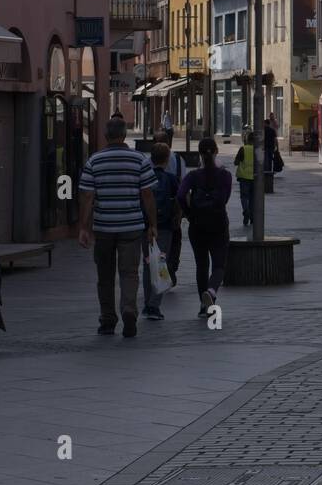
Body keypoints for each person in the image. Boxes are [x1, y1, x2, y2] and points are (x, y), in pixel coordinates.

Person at [79, 118, 157, 339]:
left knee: (105, 276)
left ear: (106, 136)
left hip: (103, 227)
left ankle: (107, 319)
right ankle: (129, 311)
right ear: (124, 135)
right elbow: (148, 194)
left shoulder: (95, 161)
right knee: (129, 273)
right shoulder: (139, 160)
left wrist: (84, 227)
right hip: (132, 226)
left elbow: (87, 195)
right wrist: (153, 224)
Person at [177, 137, 232, 320]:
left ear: (200, 154)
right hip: (219, 225)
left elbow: (180, 195)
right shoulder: (225, 175)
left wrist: (189, 213)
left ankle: (203, 306)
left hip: (197, 226)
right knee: (218, 265)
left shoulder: (193, 176)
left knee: (201, 266)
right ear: (216, 152)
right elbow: (225, 199)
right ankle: (211, 291)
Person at [142, 142, 179, 320]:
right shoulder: (171, 179)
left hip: (144, 226)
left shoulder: (145, 177)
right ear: (166, 159)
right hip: (164, 227)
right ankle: (154, 306)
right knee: (161, 264)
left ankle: (147, 303)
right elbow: (179, 200)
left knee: (148, 263)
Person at [233, 130, 255, 228]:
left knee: (244, 197)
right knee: (252, 197)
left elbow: (236, 162)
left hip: (244, 177)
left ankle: (246, 211)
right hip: (255, 177)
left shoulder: (243, 149)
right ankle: (252, 215)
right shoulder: (257, 150)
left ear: (247, 140)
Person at [263, 116, 280, 194]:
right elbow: (275, 139)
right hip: (271, 147)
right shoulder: (272, 130)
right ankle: (269, 171)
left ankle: (266, 172)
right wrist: (277, 147)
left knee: (265, 159)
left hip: (265, 147)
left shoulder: (262, 130)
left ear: (265, 123)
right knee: (269, 159)